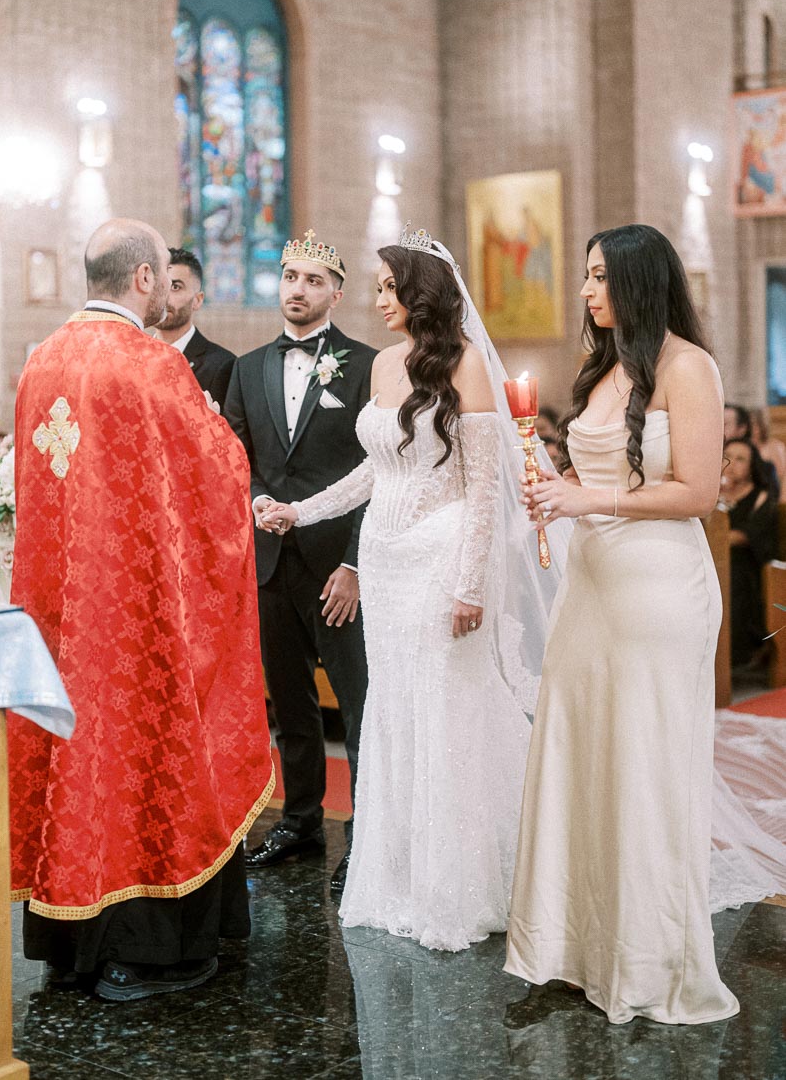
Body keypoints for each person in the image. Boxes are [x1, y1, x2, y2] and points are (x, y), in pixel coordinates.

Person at [260, 227, 561, 950]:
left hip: (442, 558)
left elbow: (486, 490)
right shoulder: (386, 366)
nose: (379, 300)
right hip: (388, 563)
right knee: (392, 712)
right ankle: (398, 877)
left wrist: (469, 585)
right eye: (377, 288)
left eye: (390, 287)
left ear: (422, 290)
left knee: (445, 712)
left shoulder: (467, 368)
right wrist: (301, 511)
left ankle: (461, 886)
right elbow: (376, 471)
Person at [8, 218, 273, 1002]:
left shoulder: (40, 363)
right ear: (146, 280)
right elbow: (217, 478)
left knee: (74, 762)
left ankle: (67, 949)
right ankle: (149, 951)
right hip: (138, 624)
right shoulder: (152, 366)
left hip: (57, 620)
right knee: (141, 766)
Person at [505, 223, 741, 1025]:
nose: (586, 289)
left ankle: (648, 962)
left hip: (658, 591)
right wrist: (551, 481)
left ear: (640, 280)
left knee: (644, 769)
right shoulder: (602, 368)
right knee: (584, 760)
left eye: (600, 275)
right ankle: (577, 949)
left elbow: (698, 493)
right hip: (592, 590)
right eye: (584, 275)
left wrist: (585, 499)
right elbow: (592, 470)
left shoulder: (689, 367)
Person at [224, 230, 376, 893]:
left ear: (335, 293)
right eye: (290, 277)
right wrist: (254, 498)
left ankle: (370, 835)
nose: (298, 290)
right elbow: (236, 452)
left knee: (360, 702)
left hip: (336, 563)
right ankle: (304, 819)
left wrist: (356, 565)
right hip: (269, 560)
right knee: (290, 704)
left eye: (314, 280)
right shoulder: (249, 366)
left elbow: (385, 471)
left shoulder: (368, 365)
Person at [719, 437, 778, 667]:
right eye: (728, 457)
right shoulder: (713, 492)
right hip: (718, 561)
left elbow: (747, 535)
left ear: (753, 465)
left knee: (733, 578)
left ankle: (735, 655)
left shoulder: (760, 496)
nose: (732, 463)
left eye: (741, 459)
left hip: (750, 567)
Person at [155, 246, 235, 409]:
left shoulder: (223, 365)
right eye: (160, 286)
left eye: (175, 287)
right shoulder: (135, 356)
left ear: (197, 300)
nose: (164, 297)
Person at [750, 406, 786, 496]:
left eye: (754, 423)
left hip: (770, 491)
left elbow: (782, 475)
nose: (751, 427)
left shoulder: (775, 446)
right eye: (749, 424)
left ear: (762, 424)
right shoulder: (743, 446)